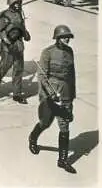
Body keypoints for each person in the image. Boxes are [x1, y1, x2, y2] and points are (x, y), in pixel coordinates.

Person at [28, 25, 77, 174]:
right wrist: (50, 92)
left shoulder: (69, 52)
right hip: (50, 94)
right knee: (45, 122)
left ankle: (62, 160)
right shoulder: (47, 53)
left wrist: (72, 94)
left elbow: (72, 74)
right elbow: (42, 76)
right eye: (63, 36)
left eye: (68, 36)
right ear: (57, 38)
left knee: (65, 125)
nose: (67, 39)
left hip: (66, 92)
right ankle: (33, 138)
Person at [0, 0, 31, 104]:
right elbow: (1, 31)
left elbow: (23, 27)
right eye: (16, 3)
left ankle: (17, 94)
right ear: (11, 3)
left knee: (18, 70)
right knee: (5, 66)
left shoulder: (20, 14)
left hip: (18, 45)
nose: (18, 5)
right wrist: (6, 41)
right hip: (7, 45)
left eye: (19, 3)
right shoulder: (4, 14)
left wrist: (26, 34)